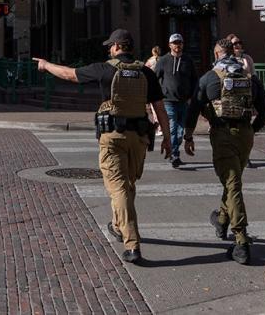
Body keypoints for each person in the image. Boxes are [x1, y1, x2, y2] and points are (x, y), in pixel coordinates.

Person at [35, 28, 170, 264]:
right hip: (138, 138)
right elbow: (159, 108)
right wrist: (167, 138)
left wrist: (46, 65)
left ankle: (132, 244)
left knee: (118, 188)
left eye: (111, 45)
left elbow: (69, 74)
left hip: (113, 136)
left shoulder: (104, 69)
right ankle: (119, 225)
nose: (109, 49)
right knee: (128, 185)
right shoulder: (146, 73)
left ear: (118, 46)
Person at [184, 37, 265, 265]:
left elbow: (194, 107)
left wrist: (188, 135)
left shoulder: (209, 77)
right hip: (245, 135)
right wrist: (252, 130)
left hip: (222, 134)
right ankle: (221, 219)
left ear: (216, 54)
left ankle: (241, 240)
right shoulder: (250, 79)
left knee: (233, 184)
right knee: (232, 182)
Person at [153, 33, 199, 168]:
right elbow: (155, 78)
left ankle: (174, 150)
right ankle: (174, 155)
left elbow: (194, 80)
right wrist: (155, 98)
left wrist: (192, 96)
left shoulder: (188, 60)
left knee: (180, 131)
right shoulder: (163, 60)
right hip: (168, 101)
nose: (177, 45)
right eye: (175, 43)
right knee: (172, 128)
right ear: (170, 45)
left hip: (184, 101)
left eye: (180, 43)